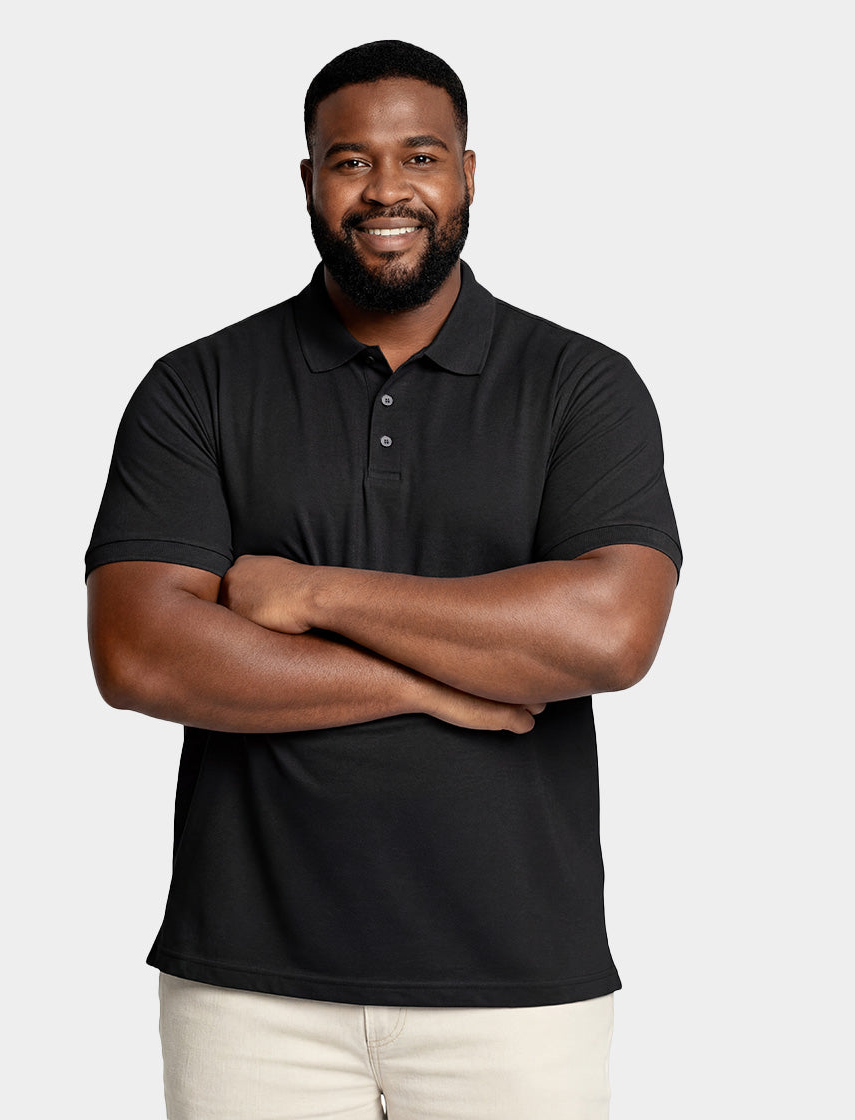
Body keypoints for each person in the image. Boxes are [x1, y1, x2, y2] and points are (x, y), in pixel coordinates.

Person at [86, 39, 681, 1120]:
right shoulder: (197, 387)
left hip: (516, 988)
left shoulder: (579, 385)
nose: (386, 189)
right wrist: (437, 685)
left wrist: (313, 596)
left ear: (468, 174)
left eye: (420, 156)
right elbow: (139, 654)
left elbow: (609, 634)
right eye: (350, 160)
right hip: (248, 988)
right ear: (309, 180)